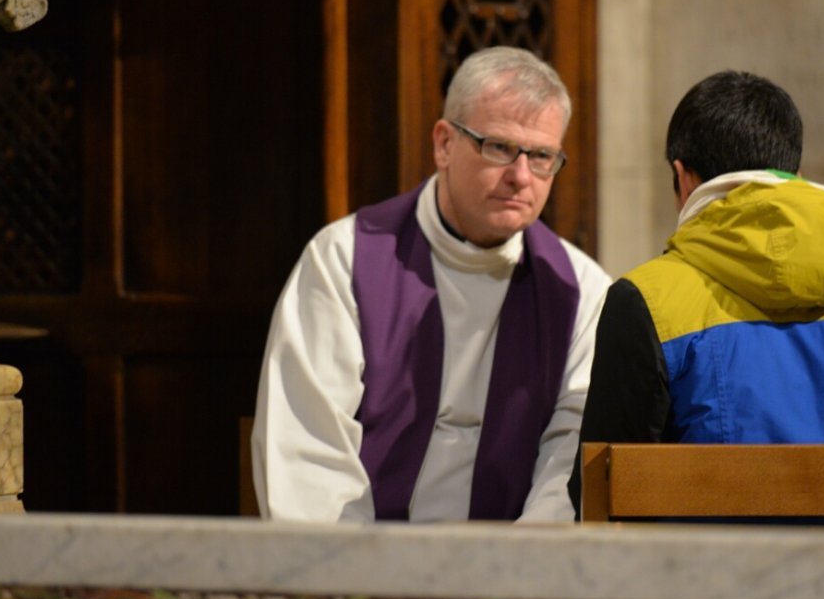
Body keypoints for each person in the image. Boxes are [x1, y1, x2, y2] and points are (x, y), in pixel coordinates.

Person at [569, 70, 824, 525]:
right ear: (795, 174)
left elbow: (600, 499)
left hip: (712, 593)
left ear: (682, 177)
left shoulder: (646, 302)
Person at [254, 46, 611, 523]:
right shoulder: (344, 260)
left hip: (510, 577)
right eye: (499, 147)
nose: (520, 177)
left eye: (542, 156)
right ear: (444, 143)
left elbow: (570, 458)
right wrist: (360, 583)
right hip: (366, 573)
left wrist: (521, 575)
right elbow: (308, 448)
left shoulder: (581, 291)